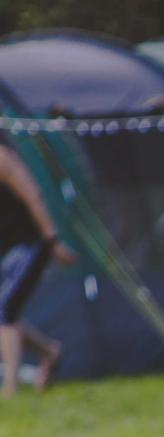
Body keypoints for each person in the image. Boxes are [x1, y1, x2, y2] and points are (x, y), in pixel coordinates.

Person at [0, 141, 78, 396]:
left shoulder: (3, 158)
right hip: (9, 248)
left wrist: (52, 242)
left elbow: (34, 197)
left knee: (5, 310)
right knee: (4, 311)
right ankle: (48, 351)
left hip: (31, 244)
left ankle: (11, 388)